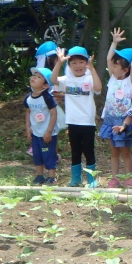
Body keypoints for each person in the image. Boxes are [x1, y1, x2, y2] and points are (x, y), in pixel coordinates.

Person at [99, 29, 132, 188]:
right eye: (112, 66)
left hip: (124, 122)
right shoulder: (112, 79)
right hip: (110, 120)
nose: (112, 68)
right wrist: (114, 42)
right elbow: (108, 58)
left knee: (125, 153)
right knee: (113, 153)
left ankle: (128, 177)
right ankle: (114, 178)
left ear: (125, 70)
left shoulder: (131, 82)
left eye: (115, 66)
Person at [51, 46, 103, 187]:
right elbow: (53, 80)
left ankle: (92, 179)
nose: (78, 65)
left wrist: (92, 69)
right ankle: (76, 179)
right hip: (72, 121)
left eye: (81, 62)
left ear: (86, 63)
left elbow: (98, 88)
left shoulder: (90, 78)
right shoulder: (67, 79)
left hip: (87, 122)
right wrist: (59, 63)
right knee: (75, 151)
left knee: (88, 150)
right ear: (69, 65)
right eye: (73, 62)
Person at [24, 67, 58, 185]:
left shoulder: (47, 97)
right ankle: (39, 176)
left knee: (48, 154)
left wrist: (48, 131)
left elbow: (54, 114)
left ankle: (51, 176)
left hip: (47, 133)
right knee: (37, 154)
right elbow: (28, 112)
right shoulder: (28, 98)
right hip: (35, 132)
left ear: (45, 86)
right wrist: (28, 127)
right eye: (34, 75)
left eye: (39, 77)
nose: (34, 77)